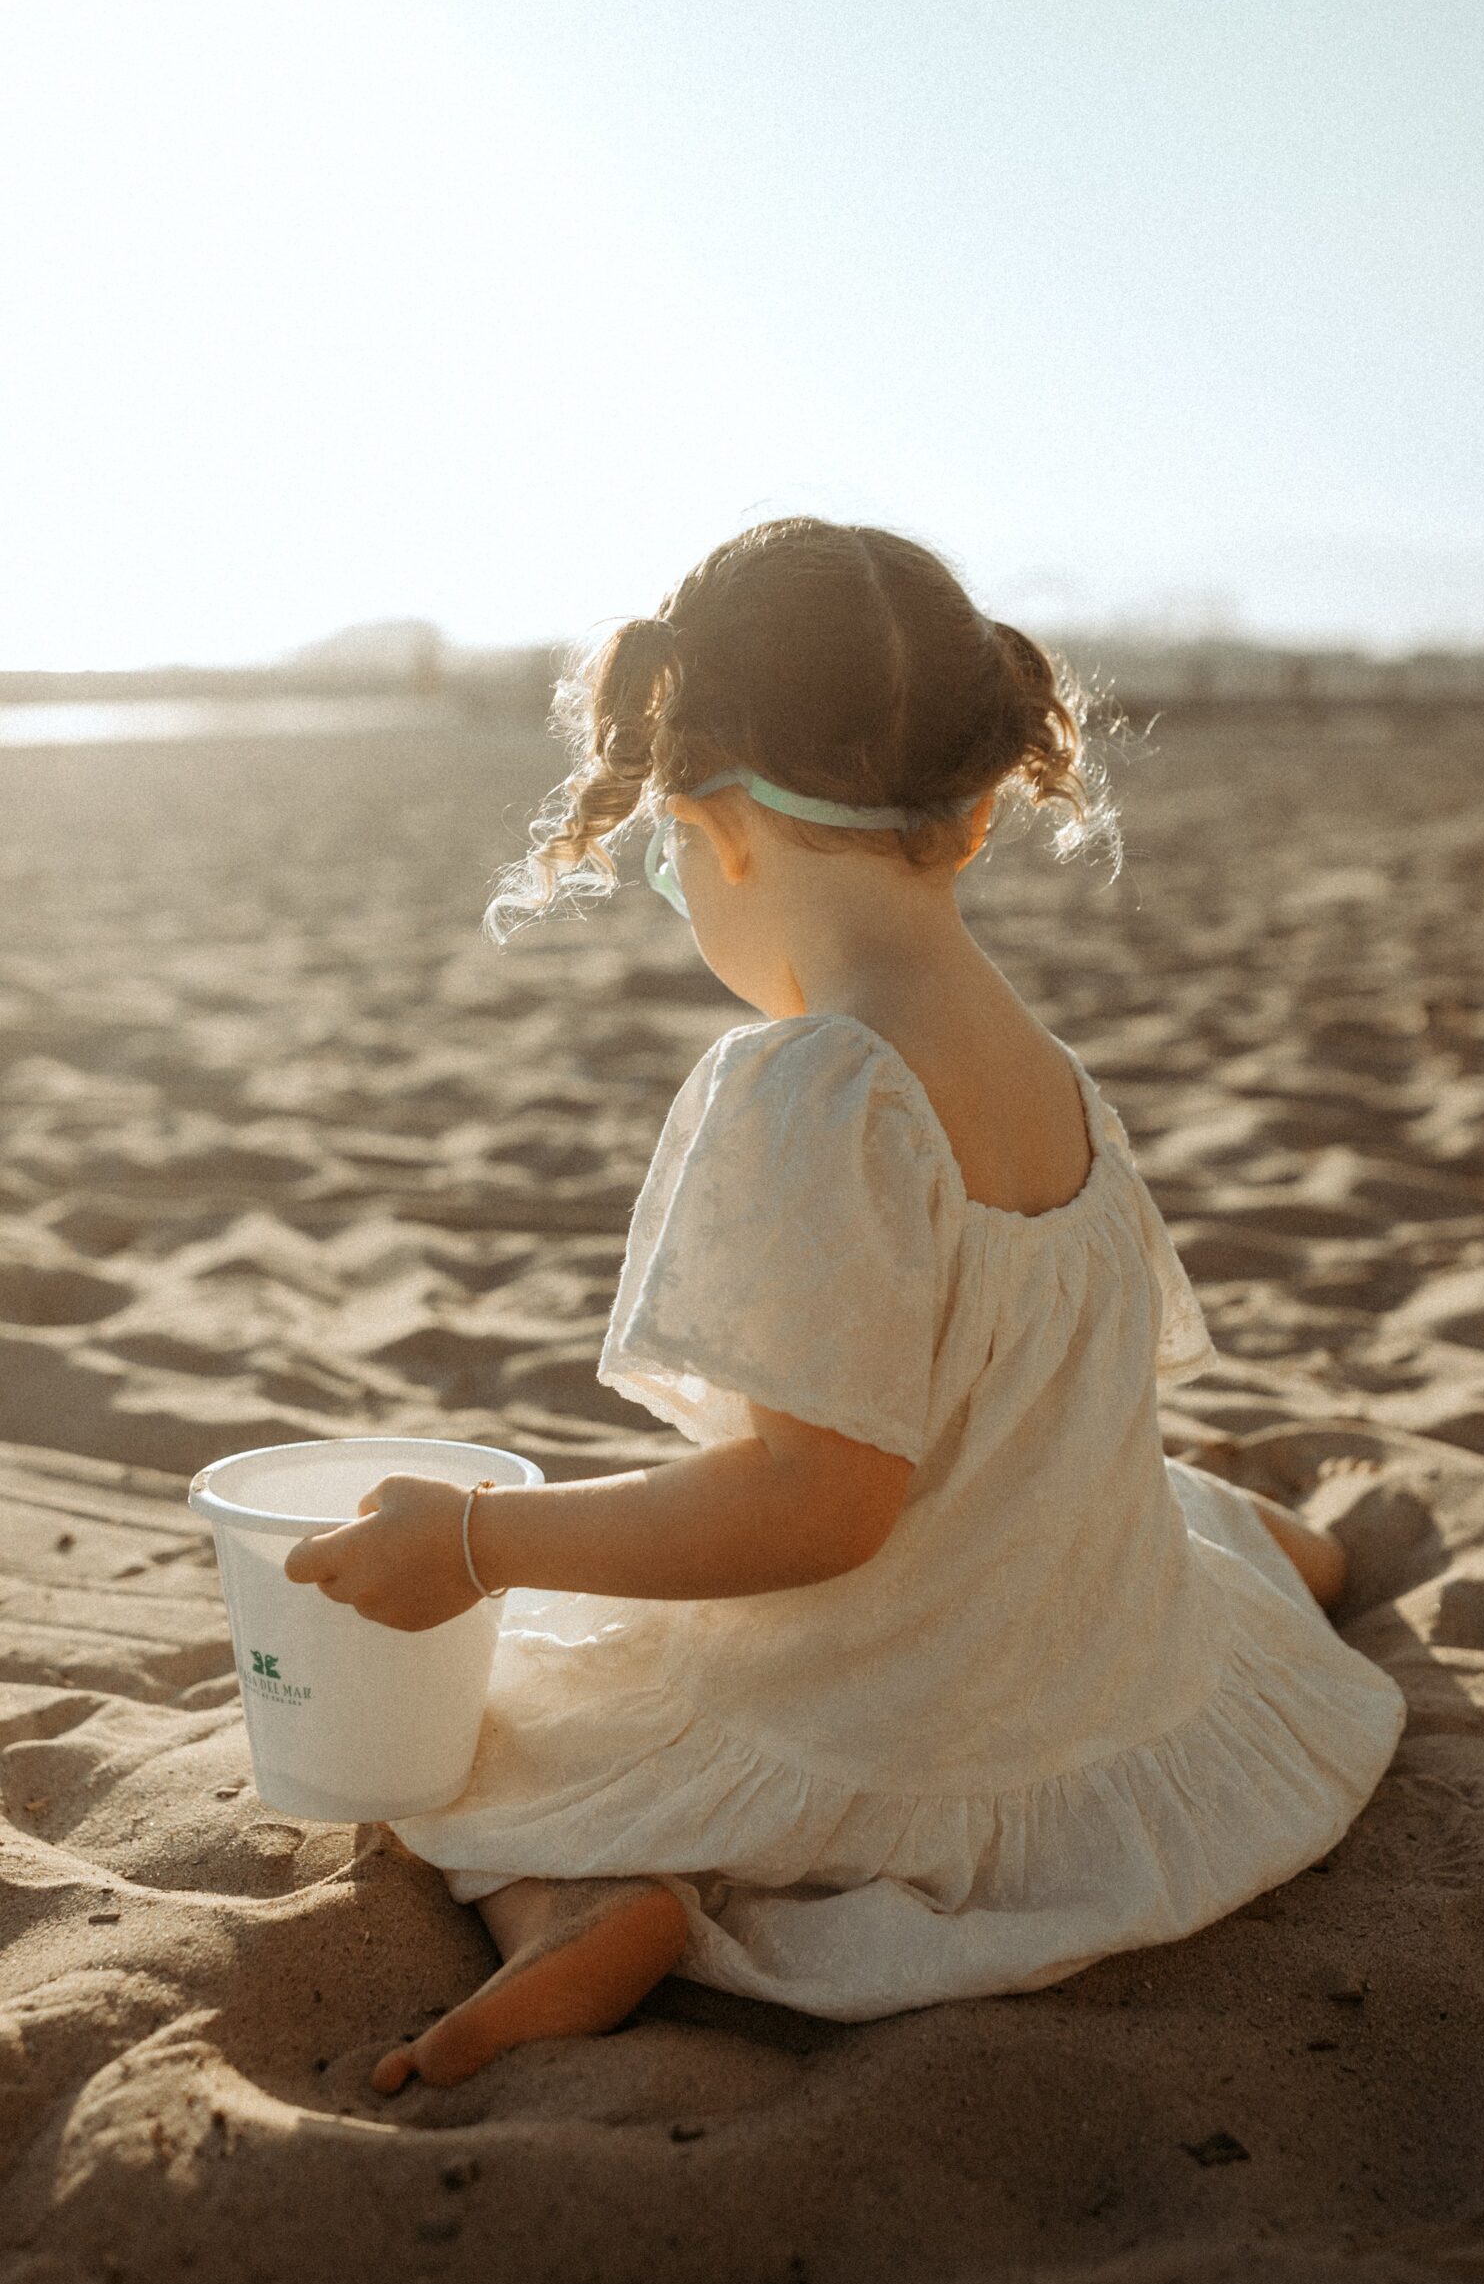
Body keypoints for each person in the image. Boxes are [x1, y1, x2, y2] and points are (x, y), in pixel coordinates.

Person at [283, 516, 1407, 2093]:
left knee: (483, 1747)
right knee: (1188, 1529)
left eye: (673, 847)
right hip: (1078, 1663)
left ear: (720, 818)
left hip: (904, 1715)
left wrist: (476, 1545)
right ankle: (1303, 1556)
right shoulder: (1048, 1069)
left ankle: (583, 1909)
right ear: (970, 815)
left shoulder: (815, 1090)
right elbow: (1047, 1397)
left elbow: (818, 1508)